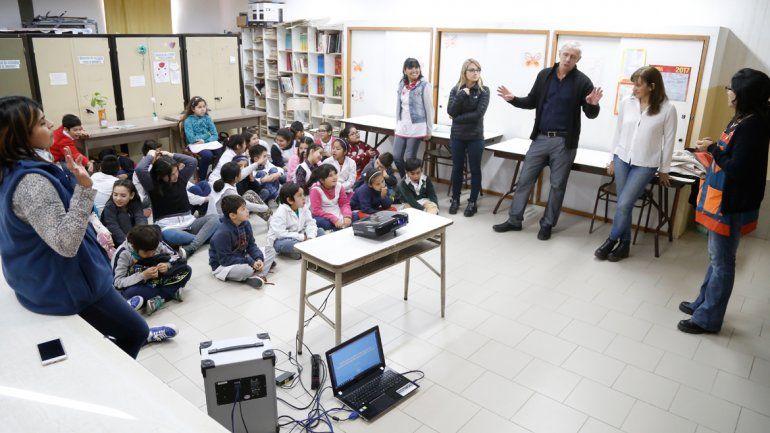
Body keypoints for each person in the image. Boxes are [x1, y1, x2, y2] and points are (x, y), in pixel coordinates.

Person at [0, 96, 175, 359]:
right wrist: (84, 189)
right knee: (136, 331)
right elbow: (66, 243)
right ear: (19, 136)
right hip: (68, 286)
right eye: (41, 122)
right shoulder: (31, 182)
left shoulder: (16, 168)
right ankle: (114, 370)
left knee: (118, 326)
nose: (51, 124)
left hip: (52, 280)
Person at [678, 68, 770, 335]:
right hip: (724, 197)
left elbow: (737, 168)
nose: (728, 92)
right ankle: (702, 303)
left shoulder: (752, 126)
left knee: (722, 262)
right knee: (716, 258)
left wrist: (712, 149)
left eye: (731, 88)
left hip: (732, 202)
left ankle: (708, 319)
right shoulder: (743, 119)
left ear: (742, 94)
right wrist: (714, 148)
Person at [493, 41, 603, 240]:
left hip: (564, 142)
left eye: (573, 56)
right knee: (524, 180)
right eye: (566, 54)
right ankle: (514, 220)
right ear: (560, 54)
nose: (568, 59)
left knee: (557, 186)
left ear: (578, 59)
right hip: (541, 138)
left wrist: (593, 105)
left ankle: (547, 224)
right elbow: (532, 101)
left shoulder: (583, 82)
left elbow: (590, 114)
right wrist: (513, 99)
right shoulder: (545, 75)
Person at [595, 66, 677, 262]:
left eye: (639, 85)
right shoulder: (627, 102)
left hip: (645, 164)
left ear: (652, 86)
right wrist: (612, 158)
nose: (634, 88)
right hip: (622, 159)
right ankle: (624, 244)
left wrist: (664, 169)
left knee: (624, 203)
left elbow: (669, 141)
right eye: (634, 84)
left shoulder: (667, 109)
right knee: (625, 205)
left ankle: (611, 240)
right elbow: (618, 131)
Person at [135, 149, 220, 257]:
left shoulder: (181, 178)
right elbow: (140, 169)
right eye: (172, 174)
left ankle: (192, 246)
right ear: (161, 175)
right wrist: (150, 155)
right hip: (169, 227)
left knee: (215, 218)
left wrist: (171, 154)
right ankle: (205, 238)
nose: (176, 176)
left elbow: (192, 161)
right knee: (168, 235)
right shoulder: (152, 185)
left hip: (190, 223)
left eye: (177, 171)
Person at [112, 224, 192, 316]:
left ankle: (159, 298)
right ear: (134, 247)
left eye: (153, 251)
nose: (150, 255)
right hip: (142, 285)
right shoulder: (123, 253)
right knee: (129, 293)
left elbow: (176, 256)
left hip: (160, 279)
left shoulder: (156, 243)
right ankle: (171, 292)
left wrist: (168, 265)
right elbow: (117, 283)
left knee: (187, 270)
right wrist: (143, 276)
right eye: (146, 252)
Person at [447, 59, 490, 217]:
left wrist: (457, 118)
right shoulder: (456, 90)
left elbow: (478, 114)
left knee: (475, 169)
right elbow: (451, 111)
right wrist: (461, 96)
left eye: (478, 70)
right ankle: (455, 199)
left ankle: (472, 202)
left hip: (475, 137)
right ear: (464, 72)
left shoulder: (484, 91)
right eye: (472, 70)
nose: (475, 73)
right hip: (457, 136)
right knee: (457, 168)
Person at [209, 195, 274, 288]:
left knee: (270, 250)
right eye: (243, 209)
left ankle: (257, 275)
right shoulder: (222, 233)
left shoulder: (246, 223)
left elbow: (251, 245)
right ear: (232, 215)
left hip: (242, 257)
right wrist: (250, 262)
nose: (247, 211)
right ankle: (257, 273)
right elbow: (225, 260)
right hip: (224, 265)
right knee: (246, 270)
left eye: (246, 208)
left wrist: (258, 258)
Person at [393, 58, 434, 177]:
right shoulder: (402, 83)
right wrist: (397, 123)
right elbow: (398, 105)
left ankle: (409, 182)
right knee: (396, 156)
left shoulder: (424, 85)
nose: (414, 70)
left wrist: (429, 129)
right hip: (402, 125)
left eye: (417, 67)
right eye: (411, 68)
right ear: (405, 70)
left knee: (409, 158)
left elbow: (429, 108)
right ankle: (405, 179)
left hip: (417, 126)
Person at [268, 183, 322, 260]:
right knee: (288, 244)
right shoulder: (281, 212)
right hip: (282, 239)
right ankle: (306, 249)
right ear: (290, 200)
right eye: (300, 195)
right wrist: (302, 237)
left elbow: (311, 223)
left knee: (320, 231)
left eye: (303, 194)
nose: (304, 198)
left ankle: (302, 251)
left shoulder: (303, 207)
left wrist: (310, 237)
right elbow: (281, 234)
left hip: (300, 235)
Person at [181, 96, 225, 181]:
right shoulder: (188, 121)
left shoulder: (207, 118)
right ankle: (202, 177)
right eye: (199, 107)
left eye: (204, 107)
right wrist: (207, 134)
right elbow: (191, 139)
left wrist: (205, 140)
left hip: (207, 143)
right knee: (207, 155)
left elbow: (215, 135)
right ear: (193, 109)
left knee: (220, 151)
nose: (202, 109)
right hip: (195, 145)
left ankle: (214, 174)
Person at [101, 179, 147, 246]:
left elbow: (140, 218)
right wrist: (128, 244)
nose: (118, 198)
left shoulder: (135, 202)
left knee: (153, 228)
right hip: (119, 240)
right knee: (123, 216)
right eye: (115, 194)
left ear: (132, 195)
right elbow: (113, 227)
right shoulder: (110, 206)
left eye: (123, 196)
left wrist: (141, 235)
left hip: (134, 236)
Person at [308, 164, 353, 231]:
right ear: (322, 180)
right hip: (325, 216)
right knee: (323, 223)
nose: (335, 177)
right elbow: (316, 211)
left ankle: (339, 227)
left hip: (338, 213)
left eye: (335, 174)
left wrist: (347, 216)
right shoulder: (315, 190)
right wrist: (333, 219)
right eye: (330, 176)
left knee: (354, 216)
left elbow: (344, 204)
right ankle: (338, 228)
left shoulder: (339, 186)